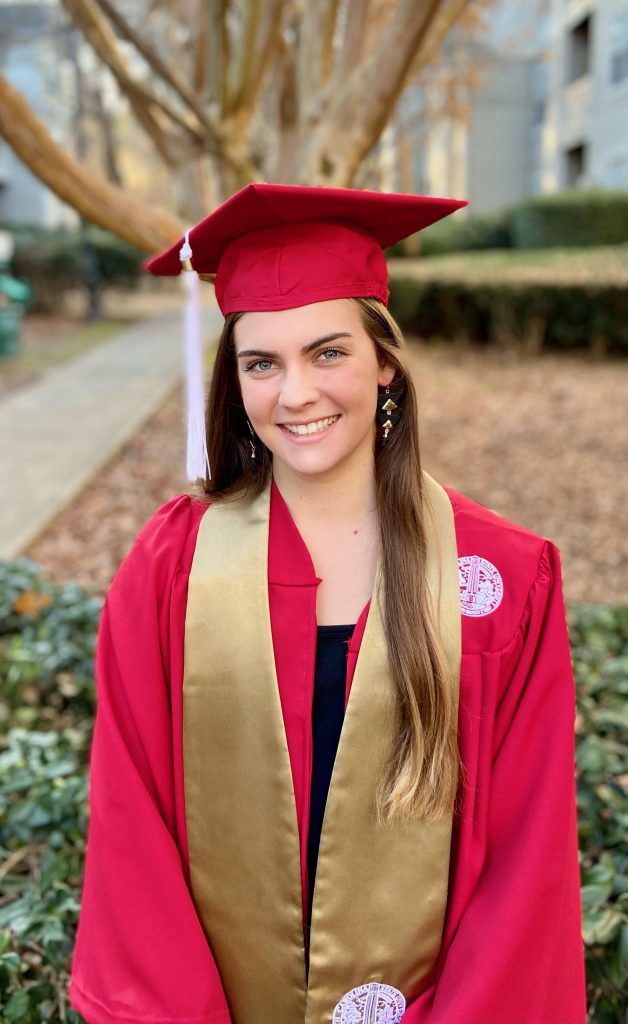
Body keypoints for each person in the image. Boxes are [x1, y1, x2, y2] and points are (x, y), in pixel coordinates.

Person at [68, 183, 587, 1024]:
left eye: (328, 353)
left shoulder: (502, 579)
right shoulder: (172, 567)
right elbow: (132, 824)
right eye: (261, 362)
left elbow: (527, 867)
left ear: (385, 362)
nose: (296, 394)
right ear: (234, 383)